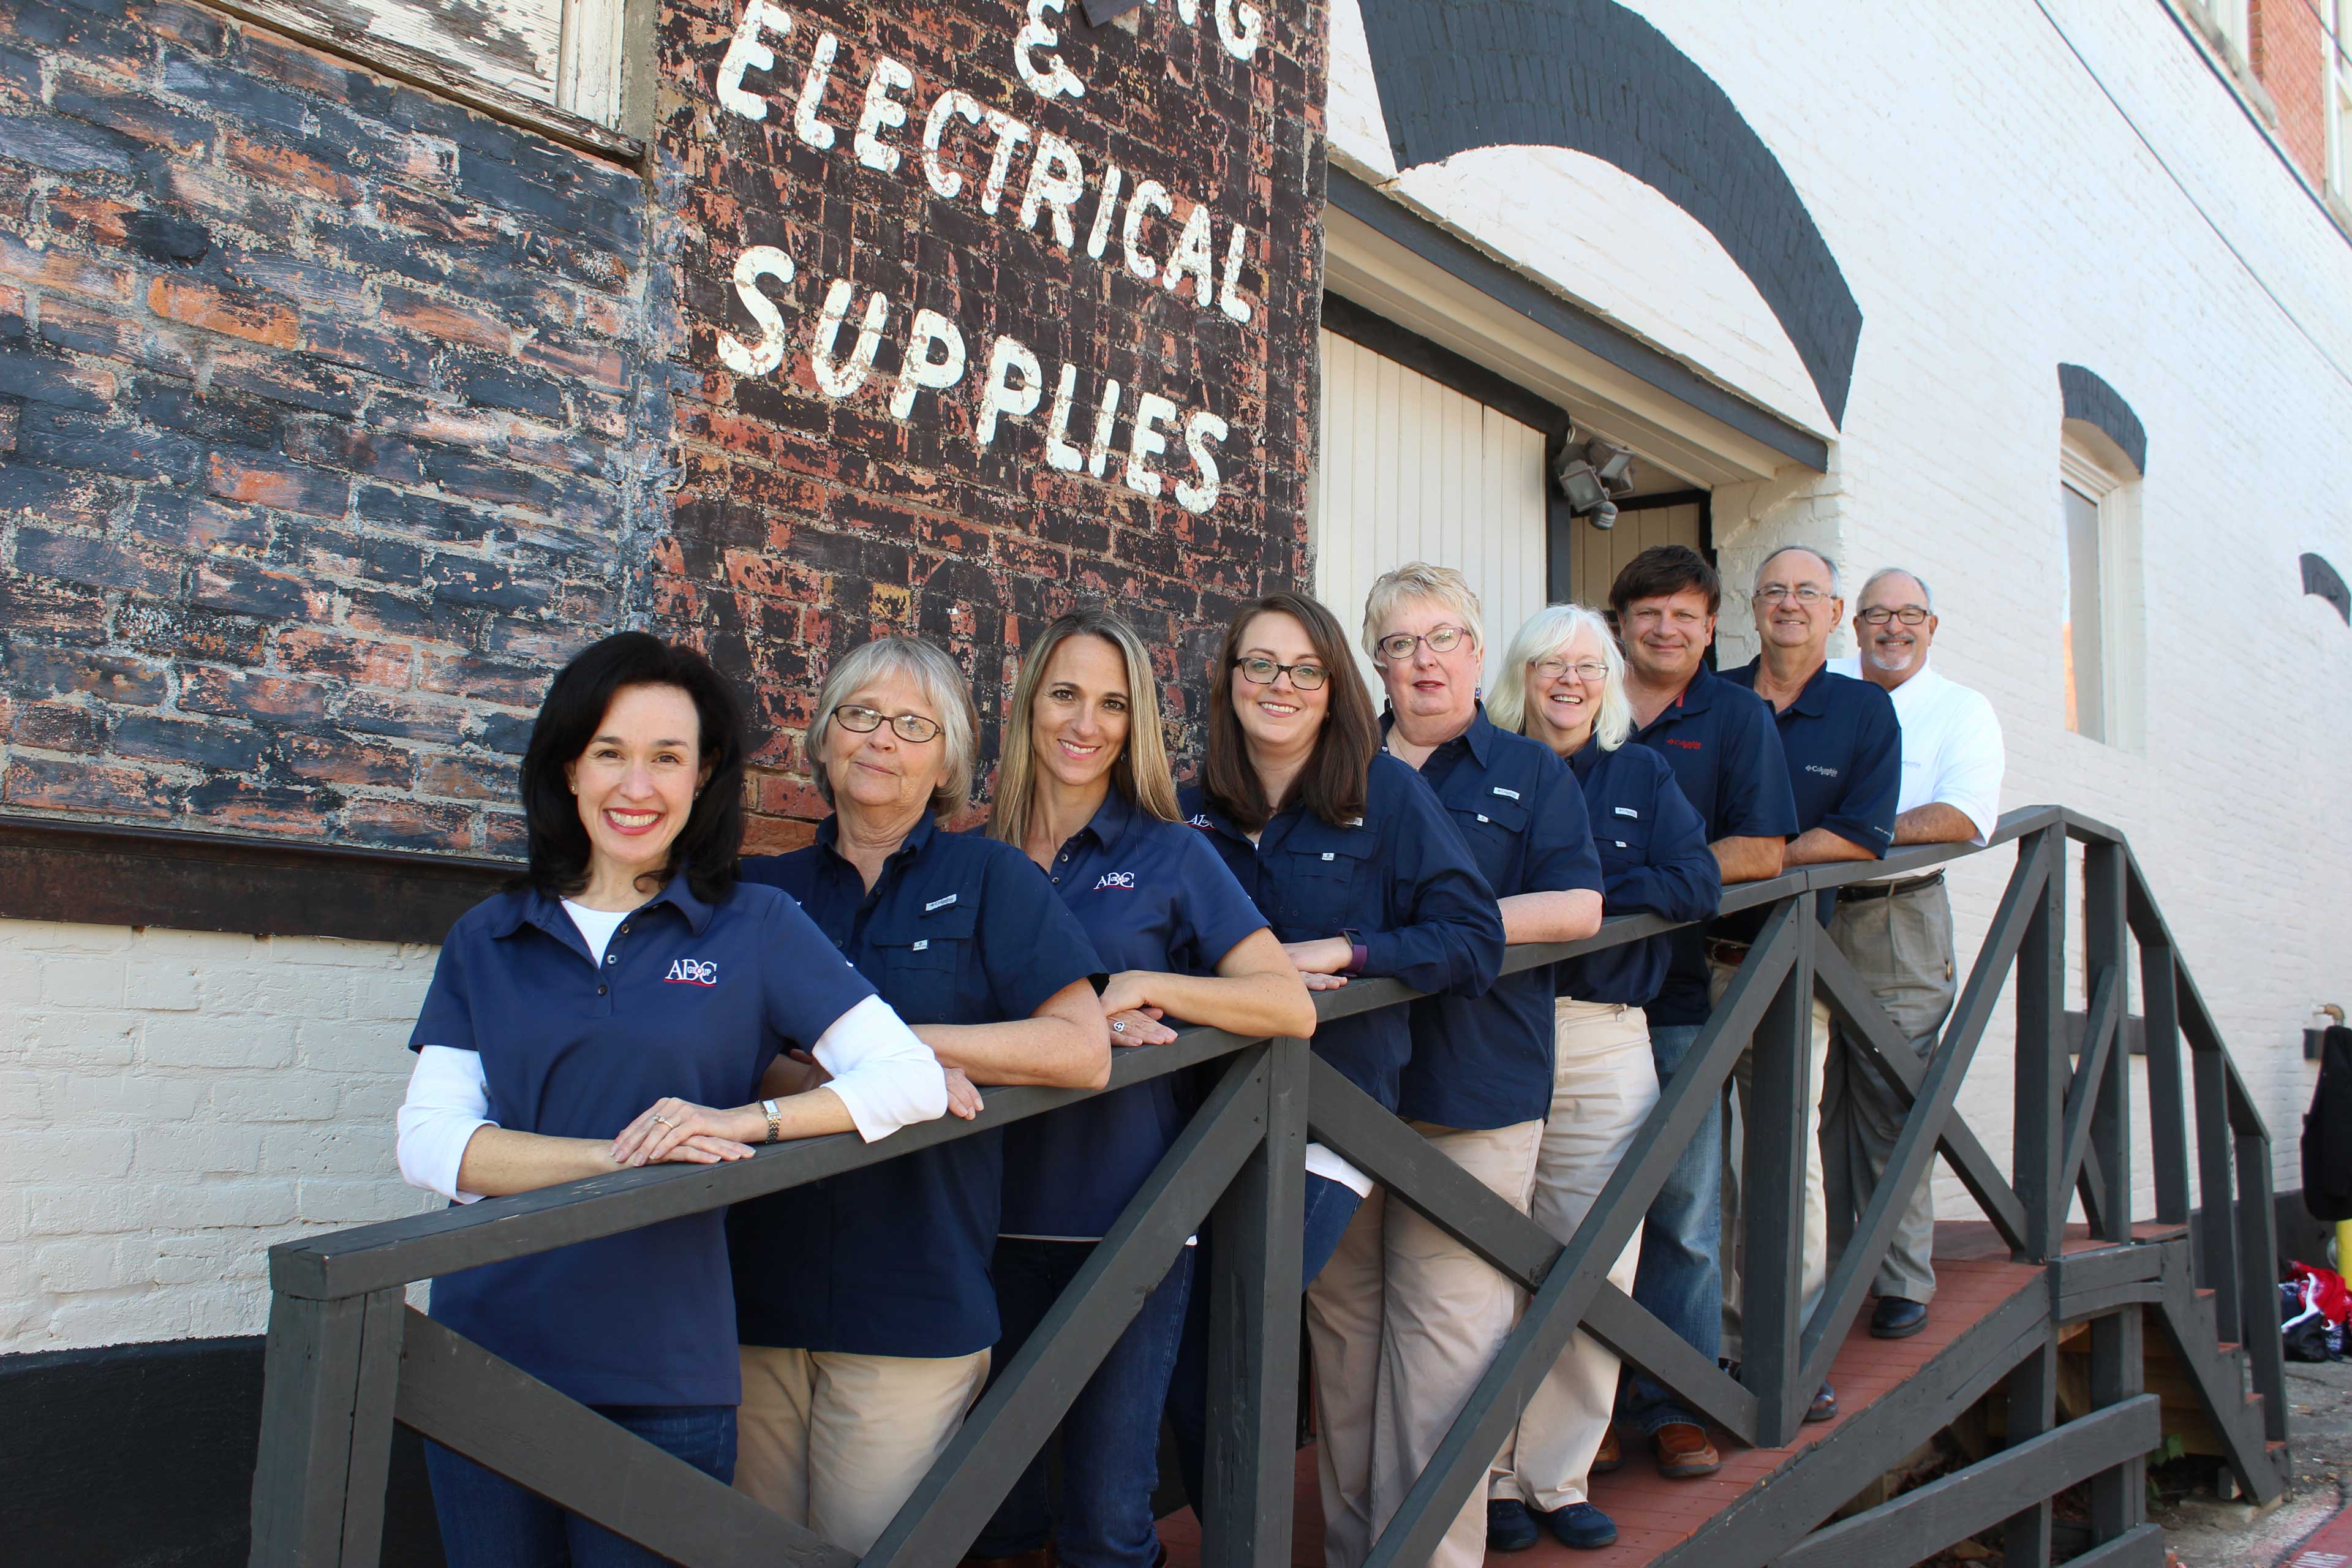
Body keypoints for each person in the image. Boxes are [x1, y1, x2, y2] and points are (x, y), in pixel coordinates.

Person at [393, 632, 957, 1568]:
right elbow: (428, 1144)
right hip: (486, 1360)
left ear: (702, 782)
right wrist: (615, 1158)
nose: (635, 786)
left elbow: (908, 1079)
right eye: (610, 752)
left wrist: (746, 1120)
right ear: (569, 767)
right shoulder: (488, 937)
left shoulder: (756, 927)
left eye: (667, 758)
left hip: (666, 1373)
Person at [727, 636, 1114, 1557]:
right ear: (823, 740)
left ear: (948, 761)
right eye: (859, 716)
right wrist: (875, 1072)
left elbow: (1081, 1050)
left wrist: (899, 1052)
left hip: (915, 1297)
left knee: (877, 1546)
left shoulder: (993, 882)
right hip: (752, 1289)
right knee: (752, 1549)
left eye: (912, 726)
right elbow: (727, 1058)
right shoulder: (757, 893)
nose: (880, 741)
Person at [965, 610, 1316, 1568]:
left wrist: (1149, 984)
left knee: (1108, 1521)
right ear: (1029, 702)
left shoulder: (1171, 854)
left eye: (1113, 703)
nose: (1087, 723)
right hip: (976, 1223)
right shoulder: (969, 855)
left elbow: (1288, 1005)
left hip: (1129, 1222)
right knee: (985, 1516)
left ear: (1138, 724)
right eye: (1066, 695)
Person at [1170, 589, 1504, 1550]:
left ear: (1334, 688)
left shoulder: (1384, 791)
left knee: (1247, 1331)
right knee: (1189, 1357)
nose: (1281, 686)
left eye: (1305, 670)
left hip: (1328, 1123)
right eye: (1259, 666)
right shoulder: (1190, 809)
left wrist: (1344, 952)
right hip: (1192, 1125)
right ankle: (1236, 1532)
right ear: (1229, 682)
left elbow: (1472, 938)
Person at [1313, 565, 1604, 1564]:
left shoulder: (1533, 772)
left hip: (1474, 1094)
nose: (1423, 659)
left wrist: (1434, 930)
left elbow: (1576, 907)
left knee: (1445, 1364)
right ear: (1376, 665)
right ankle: (1360, 1551)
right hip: (1343, 1094)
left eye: (1442, 638)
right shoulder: (1335, 776)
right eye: (1398, 643)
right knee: (1345, 1349)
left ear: (1479, 654)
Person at [1483, 603, 1721, 1553]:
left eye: (1588, 665)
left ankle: (1556, 1475)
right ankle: (1488, 1476)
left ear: (1609, 680)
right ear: (1522, 678)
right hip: (1490, 1031)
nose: (1570, 680)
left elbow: (1694, 881)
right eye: (1551, 664)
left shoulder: (1640, 773)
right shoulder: (1485, 770)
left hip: (1605, 1034)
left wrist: (1575, 905)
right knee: (1484, 1258)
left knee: (1598, 1262)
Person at [1607, 545, 1798, 1479]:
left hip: (1683, 994)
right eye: (1650, 612)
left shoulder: (1737, 716)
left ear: (1711, 624)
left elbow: (1763, 849)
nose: (1667, 628)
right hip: (1574, 996)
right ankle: (1579, 1404)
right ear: (1619, 622)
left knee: (1683, 1206)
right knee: (1580, 1209)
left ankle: (1676, 1400)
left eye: (1686, 614)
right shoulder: (1580, 694)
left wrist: (1642, 885)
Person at [1714, 545, 1900, 1423]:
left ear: (1834, 614)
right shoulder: (1712, 696)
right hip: (1691, 966)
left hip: (1795, 965)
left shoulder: (1863, 711)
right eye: (1775, 590)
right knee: (1690, 1158)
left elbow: (1862, 837)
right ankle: (1702, 1339)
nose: (1790, 605)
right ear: (1754, 607)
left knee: (1787, 1162)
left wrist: (1759, 859)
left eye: (1808, 593)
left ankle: (1788, 1343)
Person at [1822, 567, 2004, 1340]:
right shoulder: (1822, 689)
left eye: (1909, 615)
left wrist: (1856, 829)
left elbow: (1964, 813)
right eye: (1877, 615)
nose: (1892, 628)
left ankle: (1900, 1280)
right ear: (1853, 626)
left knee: (1894, 1101)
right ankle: (1812, 1277)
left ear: (1933, 627)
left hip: (1898, 920)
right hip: (1805, 913)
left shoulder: (1962, 710)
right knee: (1800, 1103)